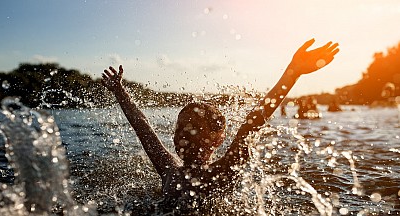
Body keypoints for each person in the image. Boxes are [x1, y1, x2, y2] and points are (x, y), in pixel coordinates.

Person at [101, 38, 339, 205]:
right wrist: (120, 93)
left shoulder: (223, 172)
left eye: (193, 130)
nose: (182, 135)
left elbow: (253, 123)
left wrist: (293, 72)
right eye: (180, 128)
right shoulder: (169, 170)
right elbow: (143, 127)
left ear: (217, 139)